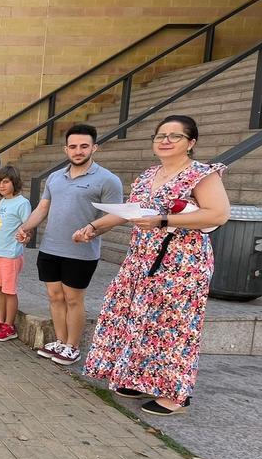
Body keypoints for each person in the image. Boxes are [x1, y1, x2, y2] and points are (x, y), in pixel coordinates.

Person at [78, 115, 229, 416]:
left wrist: (164, 220)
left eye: (175, 136)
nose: (165, 140)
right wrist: (93, 228)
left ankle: (176, 394)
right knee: (139, 320)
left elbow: (218, 214)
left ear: (191, 143)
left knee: (173, 326)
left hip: (181, 264)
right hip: (142, 259)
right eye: (160, 135)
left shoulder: (201, 174)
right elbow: (129, 213)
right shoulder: (148, 176)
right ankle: (139, 378)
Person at [16, 123, 124, 366]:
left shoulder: (108, 180)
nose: (78, 151)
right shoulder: (55, 177)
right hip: (50, 248)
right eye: (73, 146)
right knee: (55, 296)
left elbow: (117, 216)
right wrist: (26, 227)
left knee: (73, 299)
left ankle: (72, 346)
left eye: (84, 146)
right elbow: (43, 207)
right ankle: (61, 341)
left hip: (81, 252)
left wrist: (93, 230)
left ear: (94, 148)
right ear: (66, 149)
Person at [0, 166, 30, 342]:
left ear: (14, 182)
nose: (1, 186)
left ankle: (9, 326)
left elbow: (28, 225)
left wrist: (25, 237)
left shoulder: (22, 203)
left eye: (5, 182)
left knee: (9, 291)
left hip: (10, 255)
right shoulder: (3, 201)